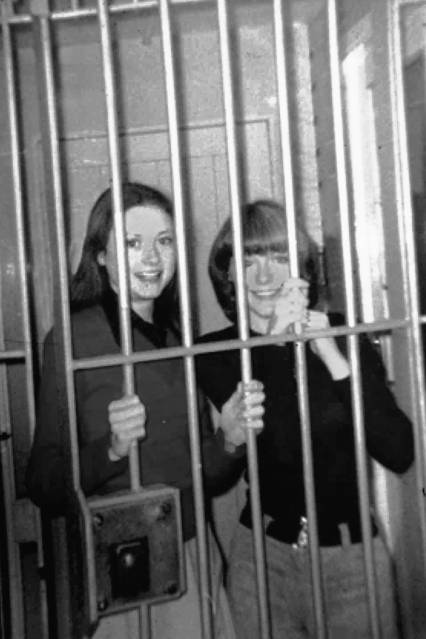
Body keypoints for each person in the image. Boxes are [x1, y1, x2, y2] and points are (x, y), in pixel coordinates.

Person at [26, 182, 265, 639]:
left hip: (196, 552)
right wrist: (111, 451)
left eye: (164, 241)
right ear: (100, 255)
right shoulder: (73, 341)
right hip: (125, 560)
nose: (152, 258)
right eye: (132, 243)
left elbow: (203, 477)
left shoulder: (178, 338)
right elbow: (42, 483)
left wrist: (230, 441)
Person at [195, 199, 414, 639]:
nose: (264, 277)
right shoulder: (216, 353)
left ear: (302, 270)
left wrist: (331, 353)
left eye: (279, 259)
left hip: (351, 560)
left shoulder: (342, 331)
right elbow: (227, 469)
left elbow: (398, 451)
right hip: (262, 561)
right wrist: (276, 342)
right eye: (249, 261)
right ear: (228, 273)